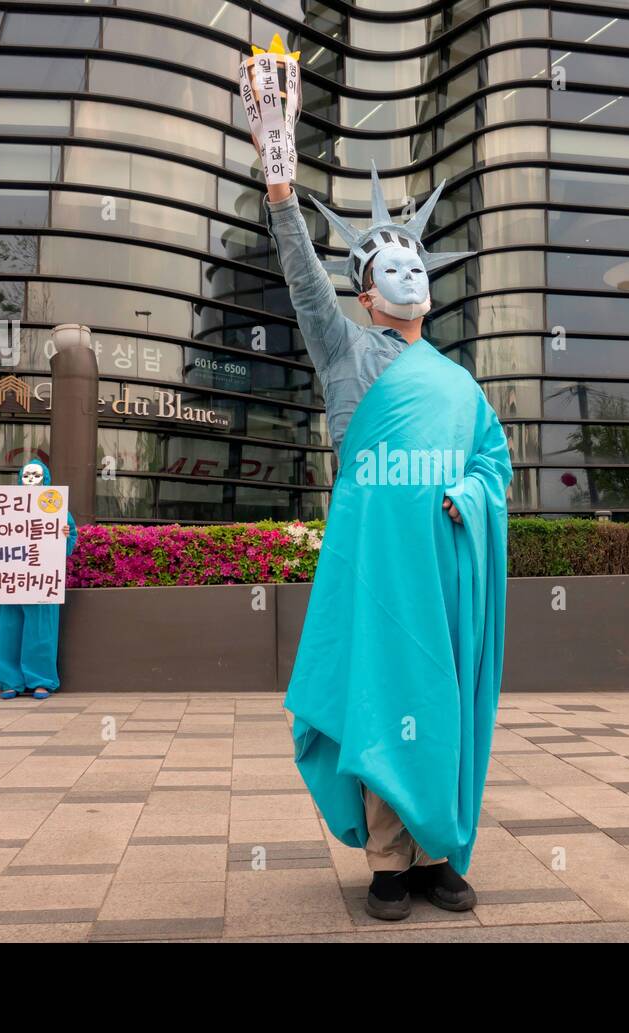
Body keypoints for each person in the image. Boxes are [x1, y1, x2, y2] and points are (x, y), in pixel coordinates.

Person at [248, 49, 511, 923]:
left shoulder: (460, 384)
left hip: (439, 566)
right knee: (377, 698)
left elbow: (492, 465)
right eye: (384, 262)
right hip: (371, 568)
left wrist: (470, 501)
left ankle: (438, 853)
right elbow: (299, 279)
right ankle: (388, 861)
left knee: (435, 699)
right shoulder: (343, 349)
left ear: (428, 290)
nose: (403, 270)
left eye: (413, 259)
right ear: (365, 294)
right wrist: (282, 186)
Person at [0, 459, 77, 700]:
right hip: (12, 580)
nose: (31, 480)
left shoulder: (58, 508)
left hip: (42, 580)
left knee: (41, 632)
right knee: (8, 631)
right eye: (26, 476)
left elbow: (69, 542)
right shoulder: (4, 508)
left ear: (46, 478)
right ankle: (10, 681)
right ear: (19, 478)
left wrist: (64, 535)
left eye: (36, 476)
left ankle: (41, 681)